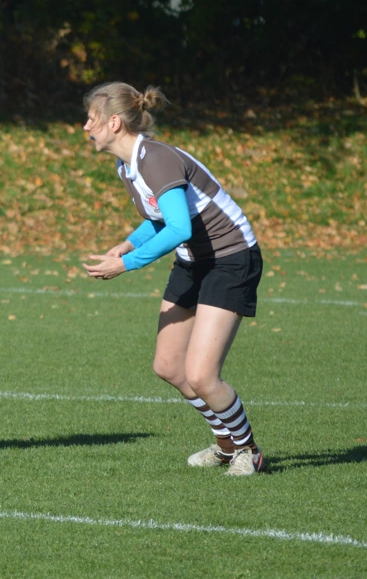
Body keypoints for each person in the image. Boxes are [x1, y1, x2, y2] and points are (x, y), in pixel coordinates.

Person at [80, 81, 266, 476]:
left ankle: (248, 451)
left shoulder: (156, 158)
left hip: (229, 258)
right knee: (169, 366)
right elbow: (159, 218)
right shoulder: (126, 165)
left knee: (201, 374)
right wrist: (127, 246)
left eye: (91, 119)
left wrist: (127, 266)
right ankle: (225, 444)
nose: (85, 127)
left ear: (114, 122)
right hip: (193, 261)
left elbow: (180, 227)